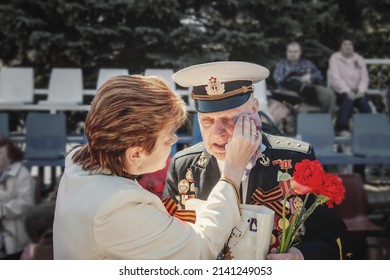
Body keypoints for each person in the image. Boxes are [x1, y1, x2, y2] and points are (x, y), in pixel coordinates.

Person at [53, 75, 261, 259]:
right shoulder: (116, 207)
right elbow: (199, 250)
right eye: (166, 138)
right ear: (135, 154)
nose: (174, 139)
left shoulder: (78, 161)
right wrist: (232, 170)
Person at [163, 61, 352, 260]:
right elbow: (169, 244)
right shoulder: (183, 166)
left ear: (254, 110)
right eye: (207, 121)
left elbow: (337, 239)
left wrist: (300, 256)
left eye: (229, 119)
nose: (217, 133)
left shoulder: (296, 159)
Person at [273, 42, 336, 114]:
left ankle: (325, 118)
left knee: (328, 93)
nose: (292, 54)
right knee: (294, 97)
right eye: (290, 51)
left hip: (309, 87)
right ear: (286, 52)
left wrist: (310, 76)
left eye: (295, 52)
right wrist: (294, 77)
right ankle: (297, 118)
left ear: (300, 53)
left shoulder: (307, 63)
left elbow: (319, 76)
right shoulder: (281, 65)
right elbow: (278, 80)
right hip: (287, 90)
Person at [328, 37, 372, 135]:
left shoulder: (359, 59)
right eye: (345, 44)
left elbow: (364, 77)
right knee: (347, 100)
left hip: (357, 91)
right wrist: (347, 91)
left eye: (350, 44)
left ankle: (369, 128)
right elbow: (335, 78)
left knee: (363, 100)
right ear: (340, 47)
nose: (348, 47)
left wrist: (361, 91)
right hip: (340, 91)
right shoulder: (335, 58)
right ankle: (341, 129)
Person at [0, 138, 35, 259]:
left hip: (15, 236)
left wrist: (2, 210)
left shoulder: (21, 173)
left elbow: (25, 202)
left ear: (10, 154)